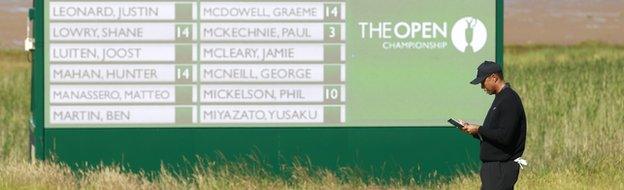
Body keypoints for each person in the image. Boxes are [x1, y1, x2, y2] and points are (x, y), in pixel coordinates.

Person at [461, 61, 527, 190]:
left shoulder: (509, 99)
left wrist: (479, 128)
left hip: (501, 168)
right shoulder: (500, 98)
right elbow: (493, 134)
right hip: (494, 169)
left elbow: (505, 137)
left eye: (482, 81)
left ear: (494, 78)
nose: (481, 86)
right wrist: (475, 132)